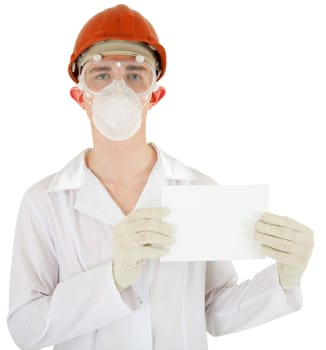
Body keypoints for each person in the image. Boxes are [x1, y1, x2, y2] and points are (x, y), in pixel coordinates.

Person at [7, 4, 314, 350]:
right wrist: (112, 277)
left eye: (135, 75)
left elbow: (215, 310)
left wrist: (284, 279)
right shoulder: (44, 202)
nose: (117, 89)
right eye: (101, 74)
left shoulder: (198, 190)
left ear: (155, 94)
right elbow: (26, 328)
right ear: (80, 95)